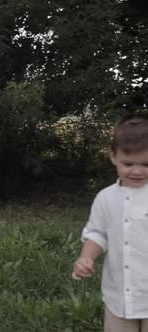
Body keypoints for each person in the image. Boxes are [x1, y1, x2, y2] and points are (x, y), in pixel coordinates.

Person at [72, 113, 148, 332]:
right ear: (113, 156)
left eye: (146, 164)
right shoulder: (106, 198)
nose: (136, 170)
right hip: (120, 297)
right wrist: (86, 257)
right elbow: (97, 233)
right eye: (128, 163)